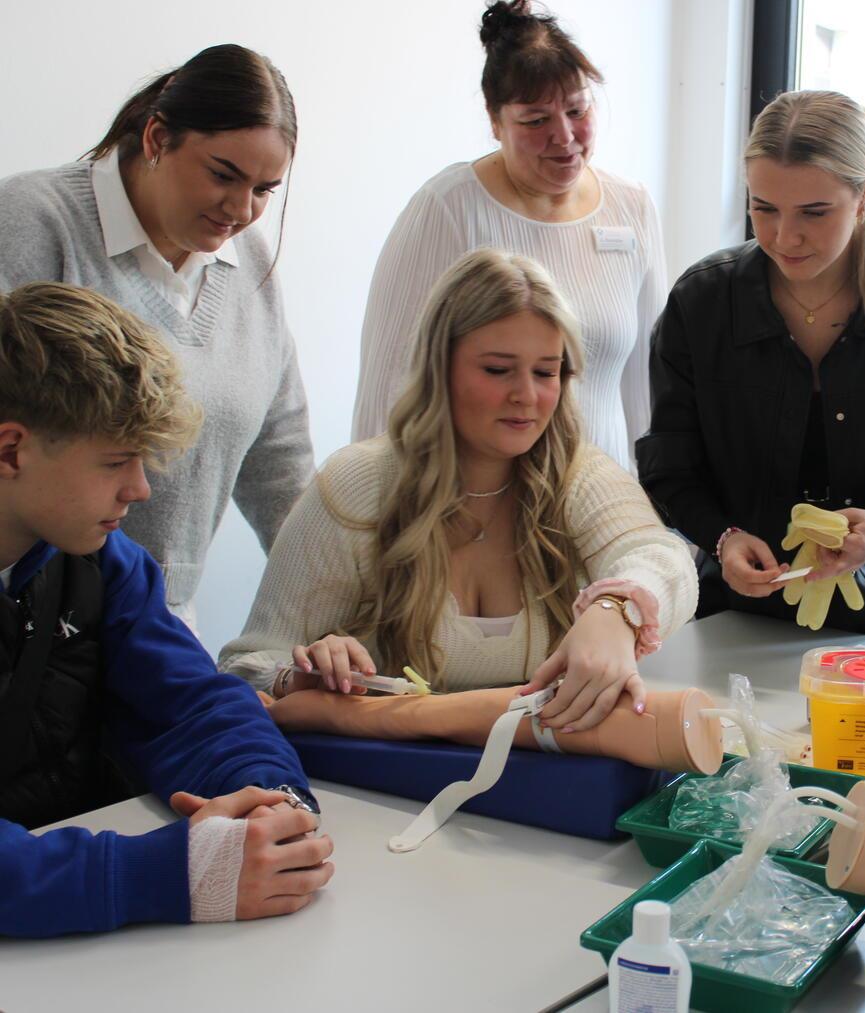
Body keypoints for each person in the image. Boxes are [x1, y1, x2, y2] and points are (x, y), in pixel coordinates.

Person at [221, 248, 697, 735]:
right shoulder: (357, 484)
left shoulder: (579, 476)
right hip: (383, 774)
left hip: (541, 771)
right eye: (497, 370)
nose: (526, 396)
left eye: (545, 372)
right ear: (439, 367)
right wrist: (296, 676)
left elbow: (665, 560)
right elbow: (244, 666)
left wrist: (616, 611)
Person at [0, 283, 331, 938]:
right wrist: (161, 874)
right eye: (116, 461)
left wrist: (270, 802)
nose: (140, 488)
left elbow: (194, 706)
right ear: (11, 450)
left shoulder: (107, 564)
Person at [0, 44, 314, 626]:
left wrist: (333, 607)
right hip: (34, 619)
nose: (240, 209)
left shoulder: (249, 263)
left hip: (160, 622)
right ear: (156, 139)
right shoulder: (31, 222)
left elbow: (281, 460)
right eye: (223, 175)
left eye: (264, 190)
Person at [637, 90, 865, 637]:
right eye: (763, 208)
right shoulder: (702, 303)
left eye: (814, 213)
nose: (783, 237)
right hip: (729, 613)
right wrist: (722, 538)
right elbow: (669, 467)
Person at [351, 0, 665, 472]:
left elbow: (647, 385)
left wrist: (649, 498)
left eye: (577, 110)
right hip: (479, 498)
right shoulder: (448, 209)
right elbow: (388, 390)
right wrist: (381, 502)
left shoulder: (632, 206)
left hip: (602, 493)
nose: (564, 136)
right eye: (536, 120)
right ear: (495, 121)